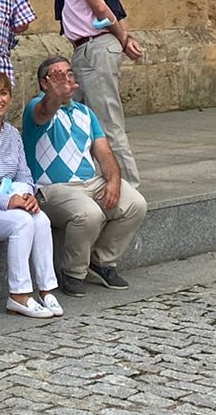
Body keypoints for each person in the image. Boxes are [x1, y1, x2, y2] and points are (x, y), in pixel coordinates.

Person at [21, 56, 148, 292]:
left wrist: (113, 181)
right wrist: (55, 95)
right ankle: (73, 272)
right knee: (88, 213)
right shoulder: (35, 107)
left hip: (90, 183)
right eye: (57, 76)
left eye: (68, 73)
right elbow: (43, 112)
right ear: (43, 83)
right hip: (52, 189)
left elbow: (104, 151)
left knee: (136, 204)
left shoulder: (85, 113)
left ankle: (102, 262)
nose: (65, 79)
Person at [54, 0, 144, 184]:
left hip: (94, 49)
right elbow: (114, 4)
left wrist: (121, 36)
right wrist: (124, 38)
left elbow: (102, 8)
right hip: (92, 50)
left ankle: (129, 188)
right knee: (78, 117)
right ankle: (90, 179)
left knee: (106, 122)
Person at [0, 71, 61, 319]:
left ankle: (46, 289)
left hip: (14, 202)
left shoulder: (12, 133)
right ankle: (18, 295)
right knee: (22, 222)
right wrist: (6, 201)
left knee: (41, 219)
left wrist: (28, 196)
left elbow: (24, 174)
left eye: (4, 93)